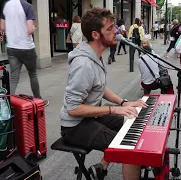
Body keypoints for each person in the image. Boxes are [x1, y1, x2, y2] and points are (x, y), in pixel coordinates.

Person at [59, 8, 147, 180]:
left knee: (133, 117)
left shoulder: (95, 56)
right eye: (110, 29)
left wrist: (123, 103)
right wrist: (112, 110)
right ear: (96, 34)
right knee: (131, 149)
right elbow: (73, 109)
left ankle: (102, 167)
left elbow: (99, 87)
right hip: (75, 127)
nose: (116, 31)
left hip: (89, 117)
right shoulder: (84, 64)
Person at [0, 0, 49, 106]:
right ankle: (38, 100)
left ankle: (8, 103)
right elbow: (30, 29)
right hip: (26, 47)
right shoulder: (27, 6)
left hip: (12, 47)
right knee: (32, 74)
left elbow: (2, 27)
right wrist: (34, 27)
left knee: (14, 77)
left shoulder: (6, 5)